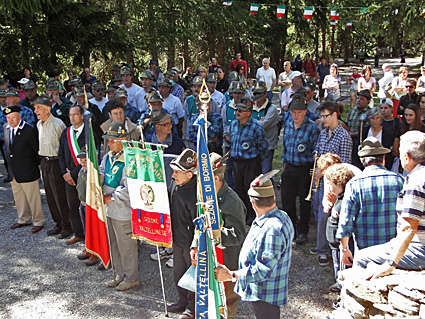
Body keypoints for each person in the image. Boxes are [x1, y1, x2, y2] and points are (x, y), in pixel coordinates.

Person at [215, 172, 294, 319]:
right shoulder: (281, 216)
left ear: (252, 203)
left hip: (265, 294)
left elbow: (263, 271)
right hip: (264, 292)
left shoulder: (271, 230)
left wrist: (231, 275)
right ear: (274, 197)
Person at [353, 131, 425, 277]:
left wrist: (390, 264)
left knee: (362, 258)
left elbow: (409, 227)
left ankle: (356, 298)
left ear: (407, 157)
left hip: (420, 249)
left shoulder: (417, 180)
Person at [190, 153, 246, 319]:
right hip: (208, 257)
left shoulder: (232, 201)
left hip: (227, 260)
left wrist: (211, 235)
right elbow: (200, 223)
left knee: (226, 302)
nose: (198, 182)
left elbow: (238, 235)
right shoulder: (205, 196)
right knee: (208, 298)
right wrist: (195, 245)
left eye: (202, 178)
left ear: (215, 178)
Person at [337, 137, 404, 266]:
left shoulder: (354, 184)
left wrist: (344, 249)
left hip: (365, 253)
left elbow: (345, 222)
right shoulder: (399, 180)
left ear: (363, 161)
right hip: (394, 253)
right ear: (383, 159)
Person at [312, 101, 353, 266]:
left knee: (327, 216)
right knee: (318, 213)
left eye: (325, 116)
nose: (323, 119)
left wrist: (324, 172)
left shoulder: (344, 136)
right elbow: (318, 152)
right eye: (321, 116)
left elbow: (344, 166)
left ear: (335, 115)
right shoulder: (323, 133)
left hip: (334, 184)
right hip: (320, 181)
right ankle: (321, 244)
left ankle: (326, 250)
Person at [101, 122, 139, 291]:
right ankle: (119, 272)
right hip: (108, 208)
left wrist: (111, 197)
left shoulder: (130, 158)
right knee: (114, 243)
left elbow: (130, 187)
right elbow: (102, 172)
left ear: (122, 140)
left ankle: (132, 277)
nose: (109, 143)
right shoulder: (108, 156)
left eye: (112, 140)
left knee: (126, 246)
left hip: (123, 209)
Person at [281, 93, 320, 245]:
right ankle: (292, 230)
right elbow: (285, 145)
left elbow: (315, 150)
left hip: (305, 169)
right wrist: (284, 162)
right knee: (287, 201)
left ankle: (303, 231)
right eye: (293, 112)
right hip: (289, 168)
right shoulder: (289, 124)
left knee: (304, 202)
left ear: (305, 112)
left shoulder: (311, 128)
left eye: (299, 112)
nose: (295, 115)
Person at [34, 95, 71, 238]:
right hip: (45, 162)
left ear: (48, 109)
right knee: (49, 194)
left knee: (60, 194)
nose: (36, 111)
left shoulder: (58, 124)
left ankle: (67, 226)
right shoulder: (39, 124)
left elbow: (64, 147)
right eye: (35, 108)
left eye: (39, 108)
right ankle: (58, 223)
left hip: (56, 162)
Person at [3, 105, 44, 233]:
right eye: (8, 118)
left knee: (33, 198)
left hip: (27, 169)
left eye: (13, 117)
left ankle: (38, 220)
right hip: (14, 170)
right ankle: (23, 219)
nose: (11, 120)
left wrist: (33, 166)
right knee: (18, 196)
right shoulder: (6, 129)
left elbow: (36, 151)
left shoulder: (28, 130)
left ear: (19, 116)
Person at [167, 149, 198, 319]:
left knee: (191, 275)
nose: (173, 176)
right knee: (178, 272)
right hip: (177, 238)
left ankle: (192, 307)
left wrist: (195, 246)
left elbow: (197, 223)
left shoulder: (194, 193)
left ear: (189, 174)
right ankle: (181, 299)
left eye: (177, 172)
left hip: (189, 242)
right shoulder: (176, 184)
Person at [230, 96, 269, 225]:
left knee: (251, 189)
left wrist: (258, 162)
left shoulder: (256, 127)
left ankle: (252, 215)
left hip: (251, 162)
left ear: (248, 113)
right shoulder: (233, 125)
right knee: (238, 189)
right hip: (237, 162)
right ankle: (242, 213)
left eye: (241, 111)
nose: (237, 113)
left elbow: (263, 147)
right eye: (237, 110)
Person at [323, 163, 356, 292]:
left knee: (343, 270)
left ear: (340, 183)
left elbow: (346, 225)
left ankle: (343, 292)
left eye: (332, 184)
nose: (330, 188)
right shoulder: (339, 198)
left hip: (340, 244)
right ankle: (339, 284)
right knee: (337, 266)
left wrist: (344, 247)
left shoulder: (346, 202)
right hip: (334, 244)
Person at [58, 105, 86, 245]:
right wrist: (64, 173)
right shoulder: (66, 133)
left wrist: (73, 174)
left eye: (75, 114)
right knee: (72, 206)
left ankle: (89, 236)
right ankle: (78, 233)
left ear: (81, 115)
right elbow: (61, 154)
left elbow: (89, 156)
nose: (72, 117)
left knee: (86, 207)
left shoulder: (88, 133)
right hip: (68, 177)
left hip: (83, 175)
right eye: (70, 115)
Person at [251, 81, 279, 174]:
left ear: (266, 94)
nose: (257, 95)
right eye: (255, 93)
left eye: (260, 93)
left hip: (268, 147)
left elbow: (263, 126)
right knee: (254, 172)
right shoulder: (250, 107)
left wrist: (251, 120)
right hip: (253, 146)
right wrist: (259, 121)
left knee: (265, 173)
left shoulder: (272, 109)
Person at [222, 81, 245, 189]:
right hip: (229, 143)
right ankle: (231, 187)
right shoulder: (227, 107)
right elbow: (223, 124)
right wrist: (227, 137)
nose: (237, 95)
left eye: (240, 93)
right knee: (229, 167)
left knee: (241, 167)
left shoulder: (247, 107)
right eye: (235, 93)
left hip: (242, 145)